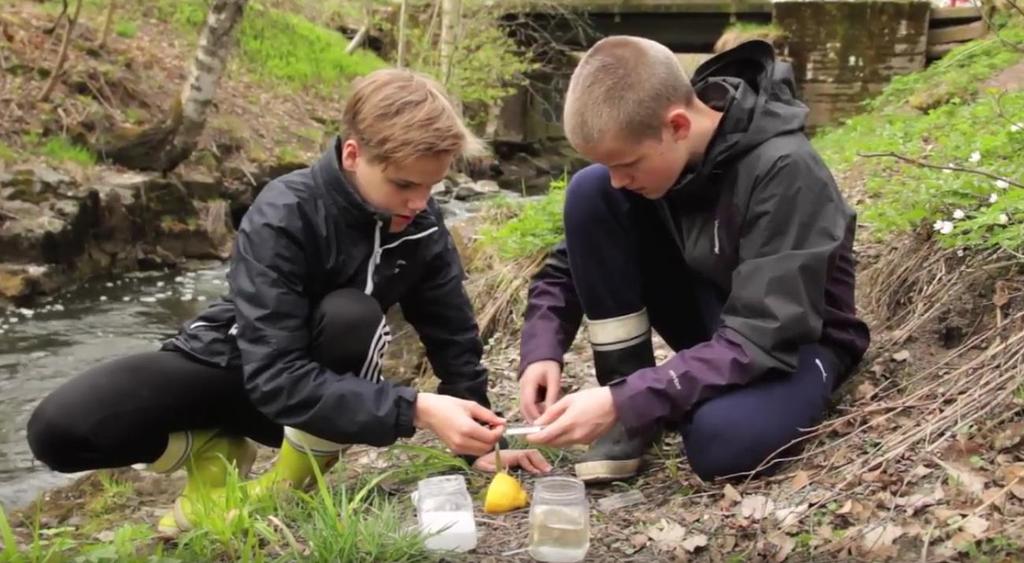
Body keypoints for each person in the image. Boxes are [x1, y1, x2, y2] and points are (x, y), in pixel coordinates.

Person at [27, 68, 550, 535]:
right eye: (404, 185)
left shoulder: (422, 223)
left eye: (431, 187)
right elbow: (273, 371)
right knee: (60, 430)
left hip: (322, 393)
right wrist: (415, 409)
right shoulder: (285, 210)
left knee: (351, 315)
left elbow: (453, 337)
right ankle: (212, 453)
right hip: (251, 364)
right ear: (352, 154)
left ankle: (296, 476)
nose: (419, 202)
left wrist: (483, 442)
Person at [517, 37, 870, 484]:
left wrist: (624, 399)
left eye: (627, 164)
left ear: (678, 125)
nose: (619, 180)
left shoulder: (785, 170)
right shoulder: (660, 162)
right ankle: (634, 415)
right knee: (589, 193)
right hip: (717, 324)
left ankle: (643, 402)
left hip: (792, 341)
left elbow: (764, 335)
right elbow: (569, 268)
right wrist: (541, 351)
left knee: (721, 442)